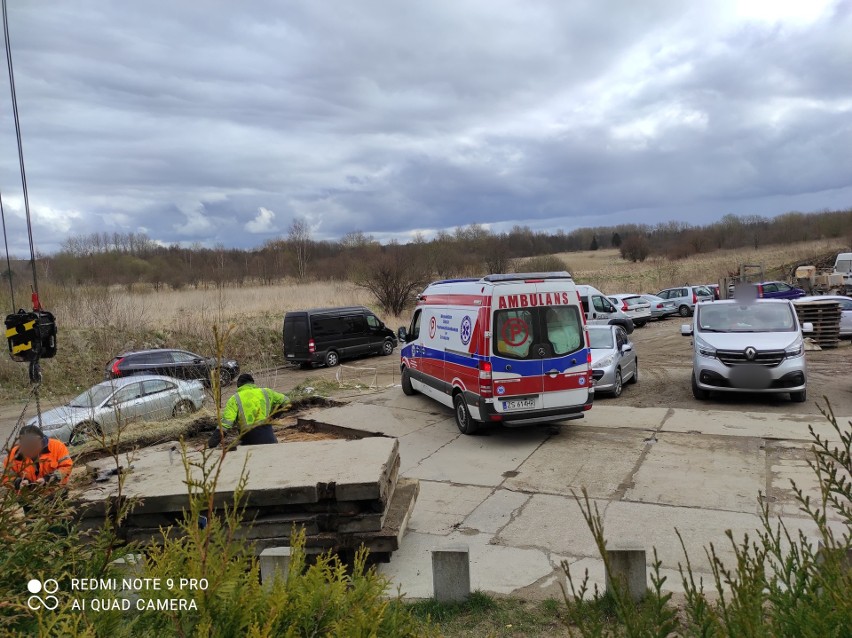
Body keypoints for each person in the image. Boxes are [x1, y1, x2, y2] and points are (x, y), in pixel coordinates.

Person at [207, 373, 291, 448]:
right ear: (252, 383)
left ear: (239, 385)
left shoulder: (234, 399)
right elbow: (287, 401)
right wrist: (274, 415)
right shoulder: (266, 392)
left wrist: (211, 444)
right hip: (269, 438)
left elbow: (226, 424)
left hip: (249, 441)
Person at [2, 424, 73, 492]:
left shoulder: (57, 447)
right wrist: (18, 482)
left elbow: (67, 466)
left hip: (54, 491)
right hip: (27, 496)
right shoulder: (14, 454)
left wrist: (50, 479)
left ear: (41, 441)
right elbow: (5, 475)